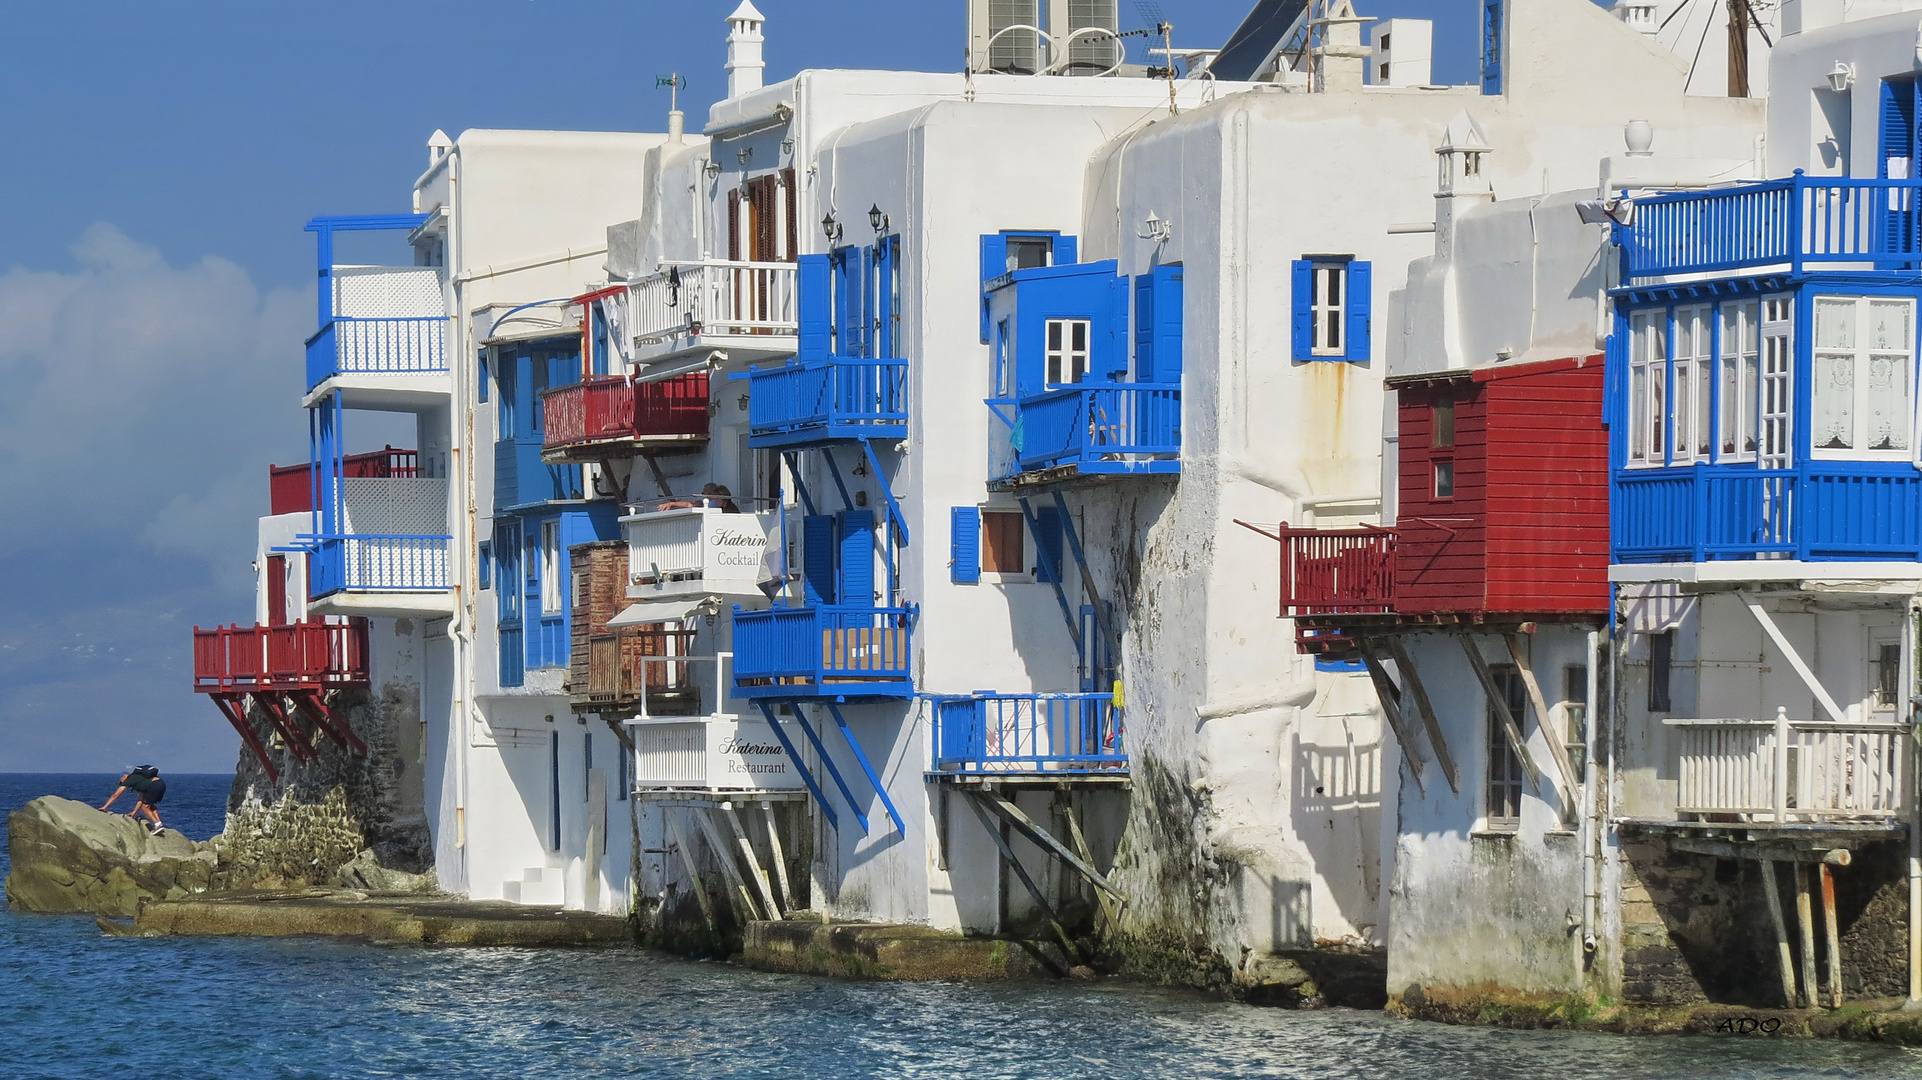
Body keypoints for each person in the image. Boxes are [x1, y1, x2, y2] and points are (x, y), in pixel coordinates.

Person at [100, 765, 166, 834]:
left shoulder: (129, 779)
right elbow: (141, 799)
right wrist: (134, 812)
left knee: (145, 807)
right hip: (161, 784)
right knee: (150, 805)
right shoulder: (141, 779)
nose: (122, 783)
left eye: (121, 781)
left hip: (153, 786)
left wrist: (105, 807)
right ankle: (159, 823)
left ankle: (157, 824)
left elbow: (115, 795)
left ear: (124, 777)